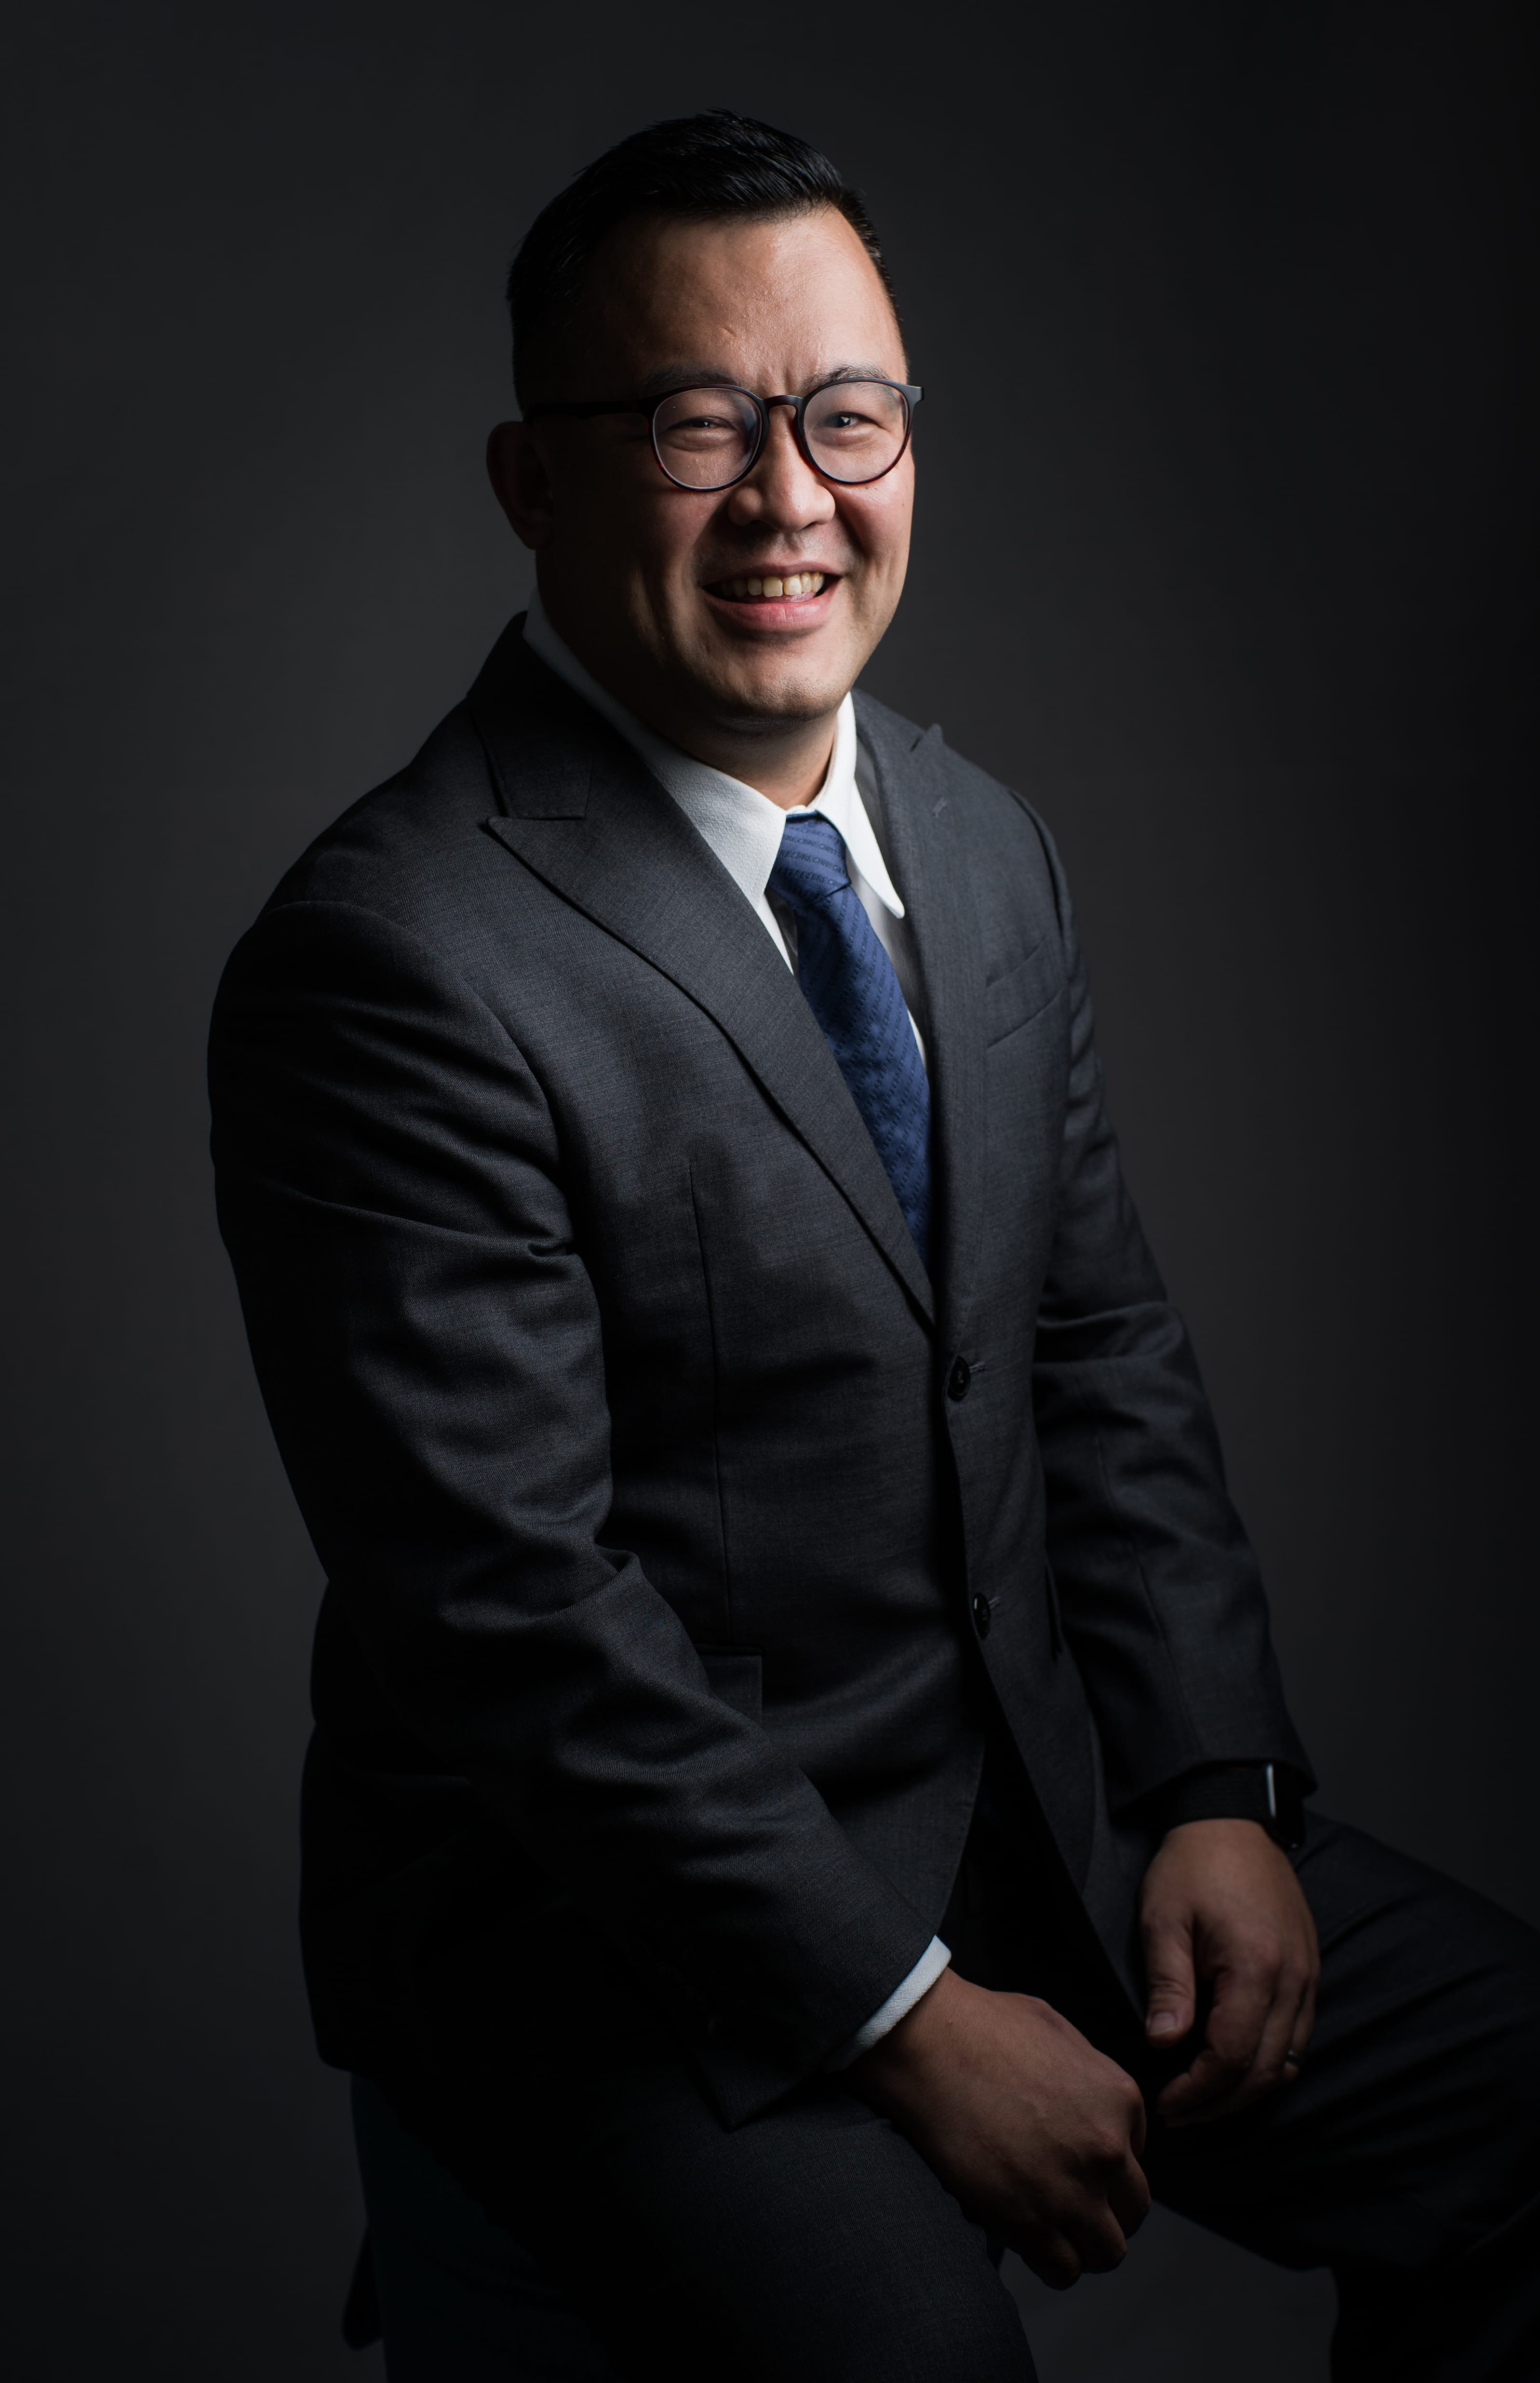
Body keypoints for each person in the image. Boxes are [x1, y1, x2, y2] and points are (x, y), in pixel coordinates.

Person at [208, 110, 1540, 2382]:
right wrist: (906, 2017)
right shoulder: (392, 955)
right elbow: (510, 1616)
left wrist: (1214, 1787)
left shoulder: (975, 837)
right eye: (691, 424)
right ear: (531, 482)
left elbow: (1097, 1345)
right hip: (606, 1940)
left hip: (1028, 1817)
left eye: (846, 415)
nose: (789, 496)